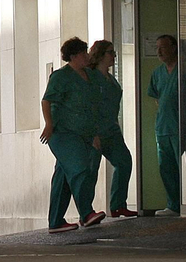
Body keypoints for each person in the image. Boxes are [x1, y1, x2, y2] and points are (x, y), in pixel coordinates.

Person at [39, 36, 108, 233]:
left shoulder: (90, 76)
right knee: (79, 169)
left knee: (62, 179)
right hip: (62, 133)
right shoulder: (61, 77)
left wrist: (94, 134)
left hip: (83, 134)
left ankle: (56, 221)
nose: (87, 56)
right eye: (83, 53)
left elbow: (92, 107)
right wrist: (49, 124)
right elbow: (47, 101)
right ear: (74, 56)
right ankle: (86, 213)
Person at [86, 40, 137, 218]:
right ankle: (86, 211)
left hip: (111, 130)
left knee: (124, 162)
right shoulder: (90, 77)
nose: (113, 56)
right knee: (91, 171)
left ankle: (118, 204)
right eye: (110, 52)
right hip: (95, 131)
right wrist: (92, 132)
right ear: (100, 55)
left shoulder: (111, 79)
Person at [148, 34, 186, 215]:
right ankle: (173, 205)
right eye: (157, 47)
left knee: (183, 167)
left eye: (162, 47)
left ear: (173, 47)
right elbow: (157, 98)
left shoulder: (185, 70)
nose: (159, 51)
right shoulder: (157, 73)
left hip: (180, 126)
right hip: (163, 127)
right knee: (166, 168)